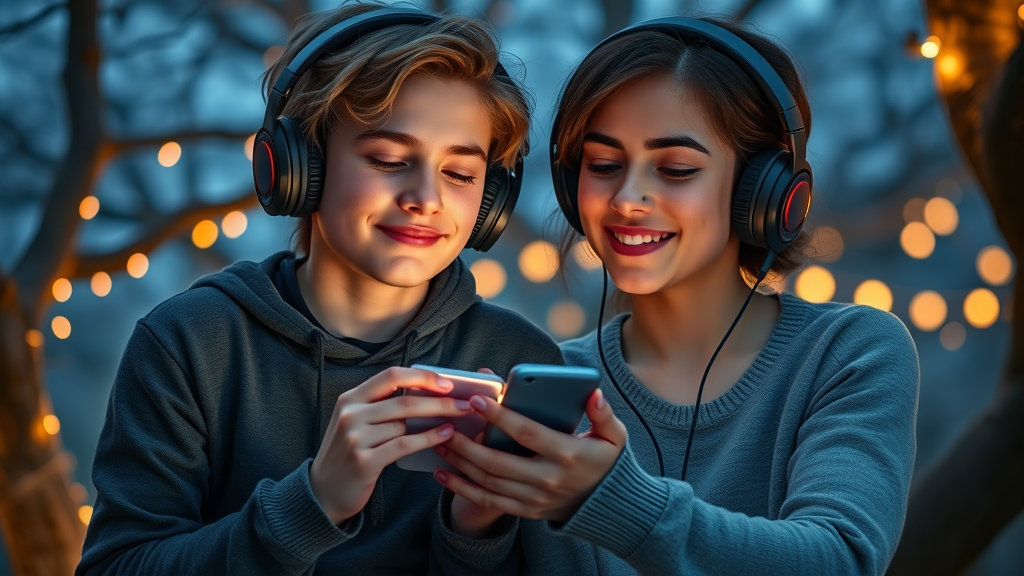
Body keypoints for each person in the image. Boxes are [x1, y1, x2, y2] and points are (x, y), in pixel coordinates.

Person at [76, 3, 561, 574]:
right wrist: (310, 505)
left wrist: (475, 531)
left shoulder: (518, 363)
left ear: (490, 202)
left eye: (459, 174)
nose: (426, 198)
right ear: (299, 166)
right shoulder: (189, 343)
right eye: (387, 158)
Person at [432, 16, 920, 575]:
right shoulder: (544, 382)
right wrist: (476, 528)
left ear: (764, 193)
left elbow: (838, 560)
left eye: (677, 169)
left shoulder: (849, 353)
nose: (629, 199)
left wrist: (614, 498)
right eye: (605, 165)